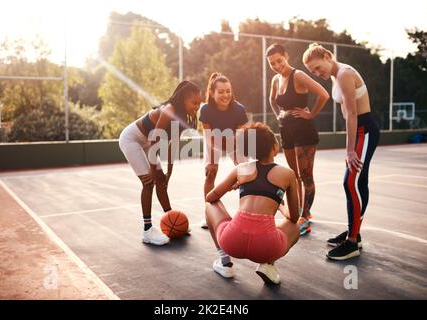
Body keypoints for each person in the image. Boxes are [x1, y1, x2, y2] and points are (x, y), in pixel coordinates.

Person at [303, 43, 380, 260]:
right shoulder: (336, 75)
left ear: (328, 56)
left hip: (364, 130)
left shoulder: (344, 74)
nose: (318, 74)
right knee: (357, 182)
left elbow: (353, 113)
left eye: (318, 68)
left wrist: (349, 150)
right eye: (314, 72)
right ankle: (353, 231)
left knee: (351, 182)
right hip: (359, 130)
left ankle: (352, 242)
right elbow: (346, 111)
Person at [205, 122, 300, 284]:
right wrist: (281, 206)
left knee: (210, 206)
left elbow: (210, 197)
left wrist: (233, 186)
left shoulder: (241, 169)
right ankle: (268, 264)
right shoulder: (288, 174)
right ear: (275, 147)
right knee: (295, 227)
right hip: (266, 247)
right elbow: (294, 217)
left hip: (232, 240)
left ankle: (224, 261)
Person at [119, 81, 202, 245]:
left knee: (161, 183)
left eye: (199, 103)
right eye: (194, 102)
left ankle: (171, 219)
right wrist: (152, 170)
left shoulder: (182, 119)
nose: (197, 106)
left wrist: (168, 173)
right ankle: (147, 230)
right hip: (131, 140)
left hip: (147, 143)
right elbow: (154, 142)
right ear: (183, 100)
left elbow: (172, 146)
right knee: (148, 183)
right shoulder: (169, 110)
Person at [266, 43, 330, 235]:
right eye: (272, 63)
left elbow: (323, 94)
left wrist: (311, 115)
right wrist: (279, 115)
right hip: (286, 132)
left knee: (306, 176)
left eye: (279, 60)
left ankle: (306, 215)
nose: (277, 66)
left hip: (304, 132)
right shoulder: (276, 80)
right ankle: (298, 212)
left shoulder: (299, 75)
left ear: (286, 56)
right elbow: (272, 100)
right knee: (293, 176)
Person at [199, 73, 249, 228]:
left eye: (228, 91)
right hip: (213, 140)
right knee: (211, 173)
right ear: (212, 93)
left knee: (246, 174)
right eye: (221, 91)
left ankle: (245, 213)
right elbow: (208, 137)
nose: (225, 95)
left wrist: (240, 167)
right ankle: (209, 213)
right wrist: (213, 161)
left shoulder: (239, 109)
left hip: (234, 141)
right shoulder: (205, 109)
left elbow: (240, 138)